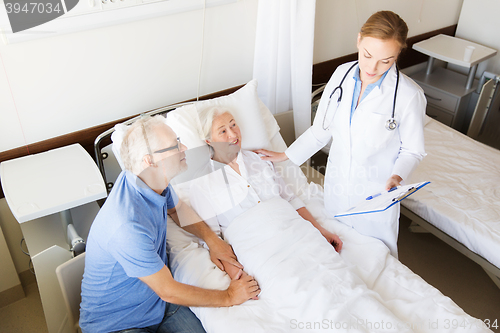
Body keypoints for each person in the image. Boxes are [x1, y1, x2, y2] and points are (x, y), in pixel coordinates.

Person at [256, 11, 426, 258]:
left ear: (398, 55)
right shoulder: (341, 75)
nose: (372, 67)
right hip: (337, 189)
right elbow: (320, 131)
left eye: (386, 61)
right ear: (358, 40)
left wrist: (397, 177)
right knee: (338, 251)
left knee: (377, 261)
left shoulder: (409, 95)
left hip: (375, 196)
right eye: (367, 55)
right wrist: (284, 155)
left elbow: (413, 150)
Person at [80, 116, 260, 333]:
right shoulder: (126, 226)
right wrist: (230, 296)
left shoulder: (149, 181)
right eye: (175, 145)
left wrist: (213, 241)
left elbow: (176, 209)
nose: (184, 148)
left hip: (158, 307)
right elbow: (168, 290)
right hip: (119, 325)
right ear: (150, 162)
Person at [188, 107, 343, 279]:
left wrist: (321, 231)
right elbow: (213, 239)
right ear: (209, 141)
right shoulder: (202, 182)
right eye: (223, 131)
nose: (232, 134)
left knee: (336, 276)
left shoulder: (259, 159)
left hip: (298, 235)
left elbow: (291, 200)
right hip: (262, 252)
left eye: (233, 125)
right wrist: (236, 274)